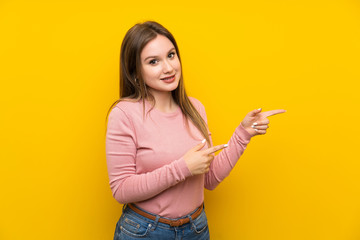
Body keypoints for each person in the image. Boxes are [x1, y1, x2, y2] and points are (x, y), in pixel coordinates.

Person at [105, 20, 286, 240]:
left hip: (196, 229)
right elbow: (121, 189)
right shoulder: (124, 114)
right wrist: (182, 168)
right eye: (154, 61)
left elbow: (208, 179)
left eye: (171, 55)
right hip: (145, 231)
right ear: (135, 72)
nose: (169, 68)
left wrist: (243, 133)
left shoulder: (194, 108)